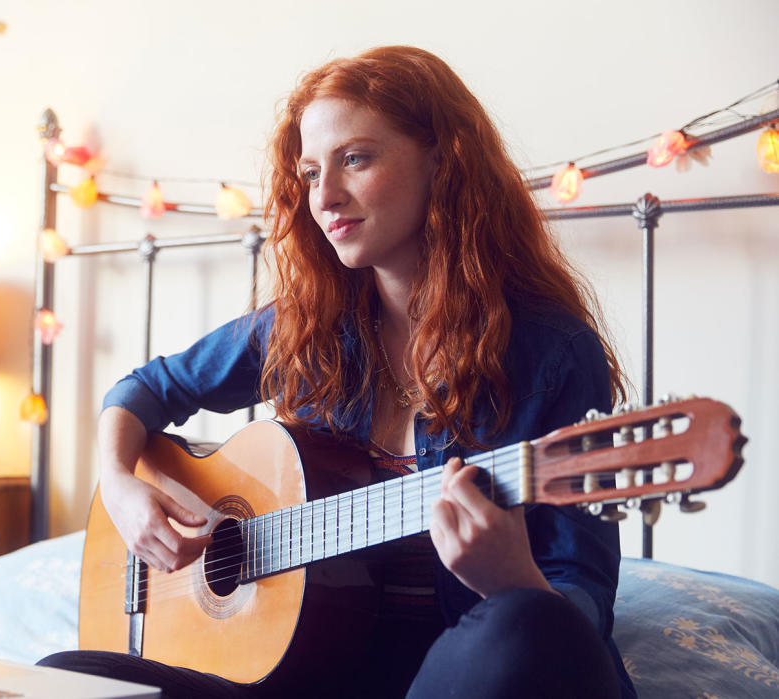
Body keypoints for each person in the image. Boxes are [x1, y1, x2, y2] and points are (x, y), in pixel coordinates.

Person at [40, 45, 637, 698]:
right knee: (67, 678)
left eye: (356, 158)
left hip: (455, 668)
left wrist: (513, 580)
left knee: (522, 628)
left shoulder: (552, 352)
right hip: (302, 674)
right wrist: (121, 483)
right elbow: (143, 391)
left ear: (443, 159)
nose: (324, 197)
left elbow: (582, 607)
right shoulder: (312, 325)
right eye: (309, 171)